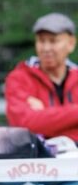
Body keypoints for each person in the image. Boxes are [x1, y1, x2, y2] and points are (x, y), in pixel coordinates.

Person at [5, 12, 78, 141]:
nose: (46, 48)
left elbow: (35, 125)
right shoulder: (19, 78)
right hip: (36, 154)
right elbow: (24, 124)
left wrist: (43, 117)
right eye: (41, 41)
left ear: (71, 43)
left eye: (53, 41)